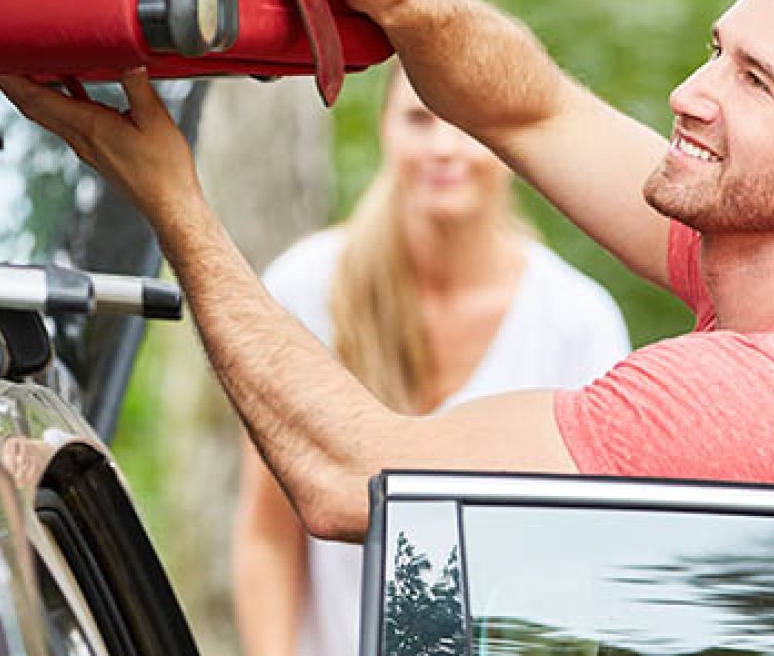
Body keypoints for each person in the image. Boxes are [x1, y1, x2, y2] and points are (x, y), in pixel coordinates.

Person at [0, 0, 774, 544]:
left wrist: (174, 202)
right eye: (715, 48)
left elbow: (355, 479)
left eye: (755, 81)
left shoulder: (768, 403)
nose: (691, 91)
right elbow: (535, 107)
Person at [234, 61, 629, 656]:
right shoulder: (304, 289)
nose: (445, 147)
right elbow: (268, 534)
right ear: (384, 128)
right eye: (420, 120)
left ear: (509, 141)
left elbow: (592, 565)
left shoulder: (577, 322)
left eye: (469, 124)